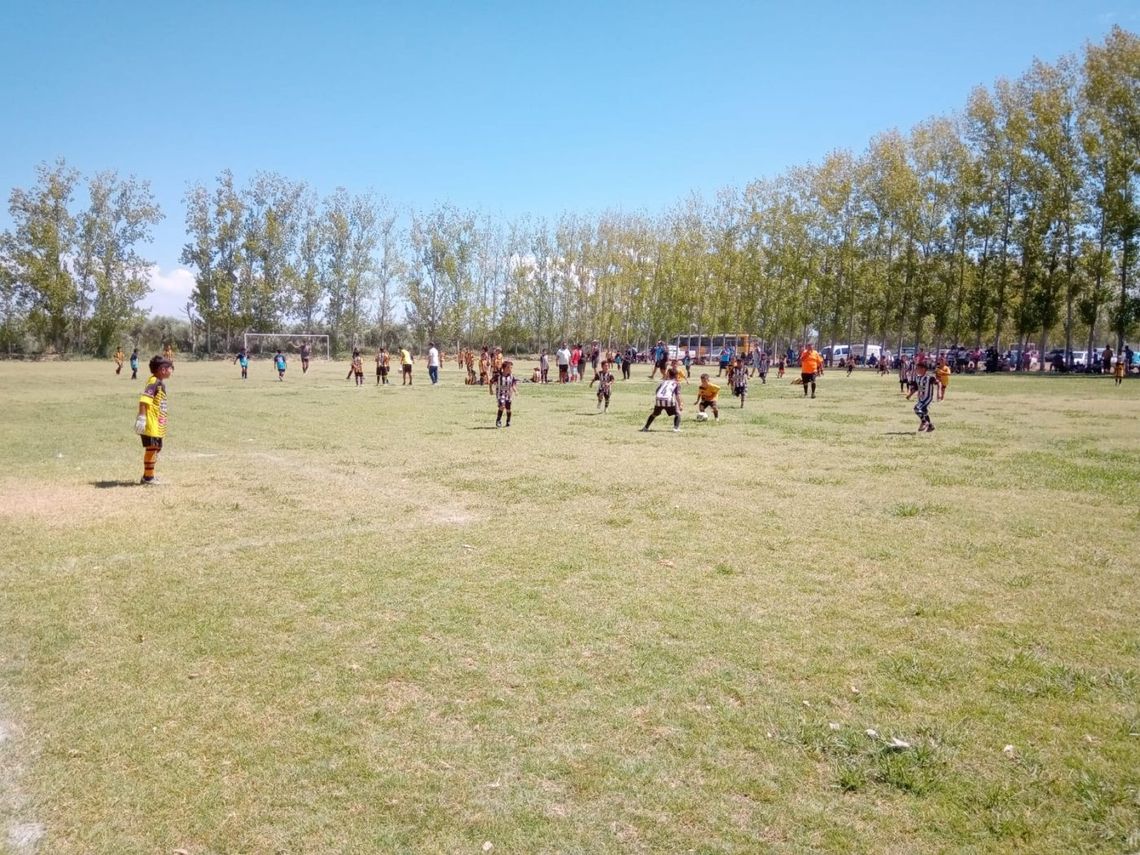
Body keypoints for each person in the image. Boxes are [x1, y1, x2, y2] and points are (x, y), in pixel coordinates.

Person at [134, 355, 173, 484]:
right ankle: (148, 477)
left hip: (158, 423)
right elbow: (144, 400)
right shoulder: (154, 382)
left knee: (156, 448)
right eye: (170, 368)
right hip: (151, 423)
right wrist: (142, 418)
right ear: (162, 369)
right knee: (152, 448)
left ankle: (149, 475)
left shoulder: (159, 383)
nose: (171, 371)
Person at [640, 367, 683, 433]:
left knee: (654, 414)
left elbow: (657, 391)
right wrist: (680, 404)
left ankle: (645, 428)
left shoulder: (664, 382)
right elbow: (677, 395)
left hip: (658, 399)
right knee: (678, 413)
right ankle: (676, 428)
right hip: (668, 400)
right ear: (677, 375)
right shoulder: (676, 383)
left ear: (668, 374)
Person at [906, 360, 937, 432]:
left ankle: (924, 422)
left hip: (927, 398)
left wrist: (939, 393)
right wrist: (910, 395)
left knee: (917, 408)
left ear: (923, 369)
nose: (916, 370)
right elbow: (917, 387)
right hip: (921, 398)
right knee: (924, 412)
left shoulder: (929, 377)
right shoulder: (918, 377)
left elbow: (938, 383)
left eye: (917, 368)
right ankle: (930, 426)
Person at [494, 360, 518, 428]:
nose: (511, 369)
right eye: (510, 367)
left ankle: (508, 421)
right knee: (502, 406)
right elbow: (491, 381)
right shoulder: (498, 375)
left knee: (508, 409)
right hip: (500, 394)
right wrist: (490, 390)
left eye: (511, 367)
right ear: (505, 368)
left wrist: (515, 391)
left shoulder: (511, 376)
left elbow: (513, 384)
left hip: (508, 394)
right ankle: (498, 421)